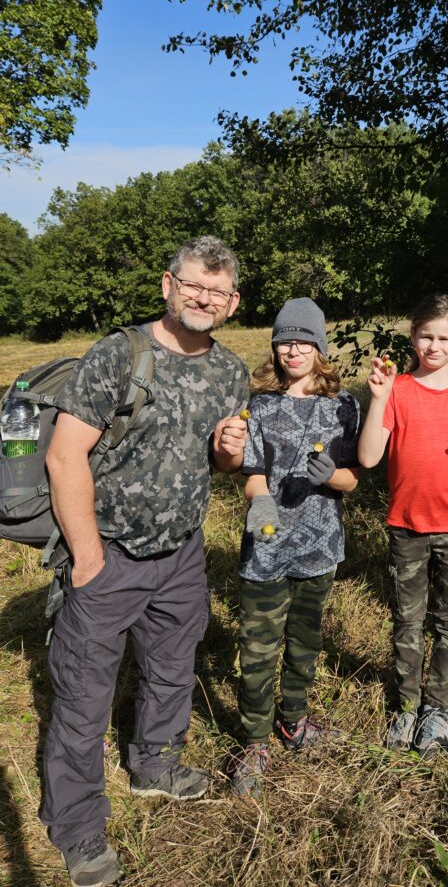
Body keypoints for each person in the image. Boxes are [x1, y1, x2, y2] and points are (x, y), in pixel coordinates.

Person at [41, 236, 250, 887]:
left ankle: (155, 766)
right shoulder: (120, 354)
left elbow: (219, 464)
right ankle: (76, 827)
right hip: (109, 552)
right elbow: (64, 455)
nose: (204, 298)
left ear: (233, 302)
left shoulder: (230, 372)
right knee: (83, 693)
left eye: (217, 291)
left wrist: (230, 451)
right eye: (194, 285)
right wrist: (87, 557)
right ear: (168, 285)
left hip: (182, 552)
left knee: (172, 667)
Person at [229, 297, 360, 799]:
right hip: (266, 548)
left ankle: (294, 721)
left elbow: (353, 479)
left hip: (320, 545)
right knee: (258, 646)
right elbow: (252, 475)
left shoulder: (343, 406)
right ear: (275, 348)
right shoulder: (260, 406)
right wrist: (262, 510)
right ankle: (255, 741)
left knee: (305, 640)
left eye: (304, 341)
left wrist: (333, 477)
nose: (294, 350)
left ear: (320, 347)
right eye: (285, 342)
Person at [358, 292, 448, 758]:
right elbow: (369, 457)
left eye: (443, 338)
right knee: (407, 620)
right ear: (412, 337)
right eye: (425, 336)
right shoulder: (396, 390)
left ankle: (438, 709)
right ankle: (406, 706)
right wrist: (378, 399)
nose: (433, 346)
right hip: (406, 525)